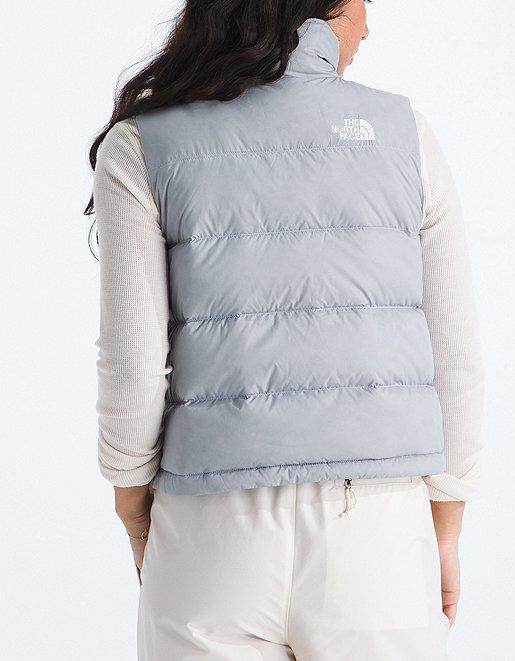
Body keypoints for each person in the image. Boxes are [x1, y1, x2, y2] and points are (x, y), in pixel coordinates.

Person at [88, 1, 484, 658]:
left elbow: (132, 363)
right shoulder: (404, 133)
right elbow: (456, 357)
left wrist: (131, 498)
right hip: (378, 532)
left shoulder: (141, 145)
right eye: (361, 3)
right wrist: (446, 523)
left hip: (209, 529)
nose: (367, 27)